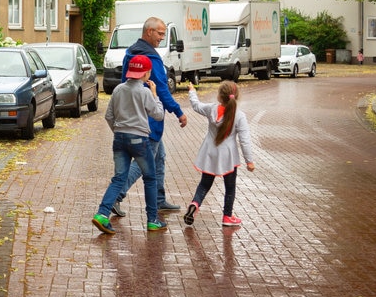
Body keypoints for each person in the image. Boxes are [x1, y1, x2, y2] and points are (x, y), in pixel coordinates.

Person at [111, 17, 188, 218]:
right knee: (142, 163)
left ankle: (159, 199)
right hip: (149, 121)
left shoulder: (131, 52)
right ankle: (115, 198)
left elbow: (124, 82)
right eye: (160, 33)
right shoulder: (150, 58)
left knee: (159, 157)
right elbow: (161, 88)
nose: (162, 38)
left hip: (134, 115)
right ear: (148, 32)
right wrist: (178, 111)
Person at [92, 55, 167, 234]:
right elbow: (158, 115)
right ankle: (152, 220)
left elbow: (108, 116)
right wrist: (155, 95)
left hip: (119, 138)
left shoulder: (118, 89)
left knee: (118, 178)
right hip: (139, 140)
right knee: (150, 178)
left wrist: (118, 131)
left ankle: (102, 214)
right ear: (146, 73)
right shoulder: (144, 92)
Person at [183, 80, 256, 227]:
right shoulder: (239, 116)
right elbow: (245, 140)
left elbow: (196, 105)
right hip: (228, 157)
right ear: (236, 96)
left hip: (210, 152)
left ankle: (195, 203)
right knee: (230, 187)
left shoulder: (211, 109)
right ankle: (227, 216)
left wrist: (192, 91)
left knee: (204, 183)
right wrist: (249, 160)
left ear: (219, 97)